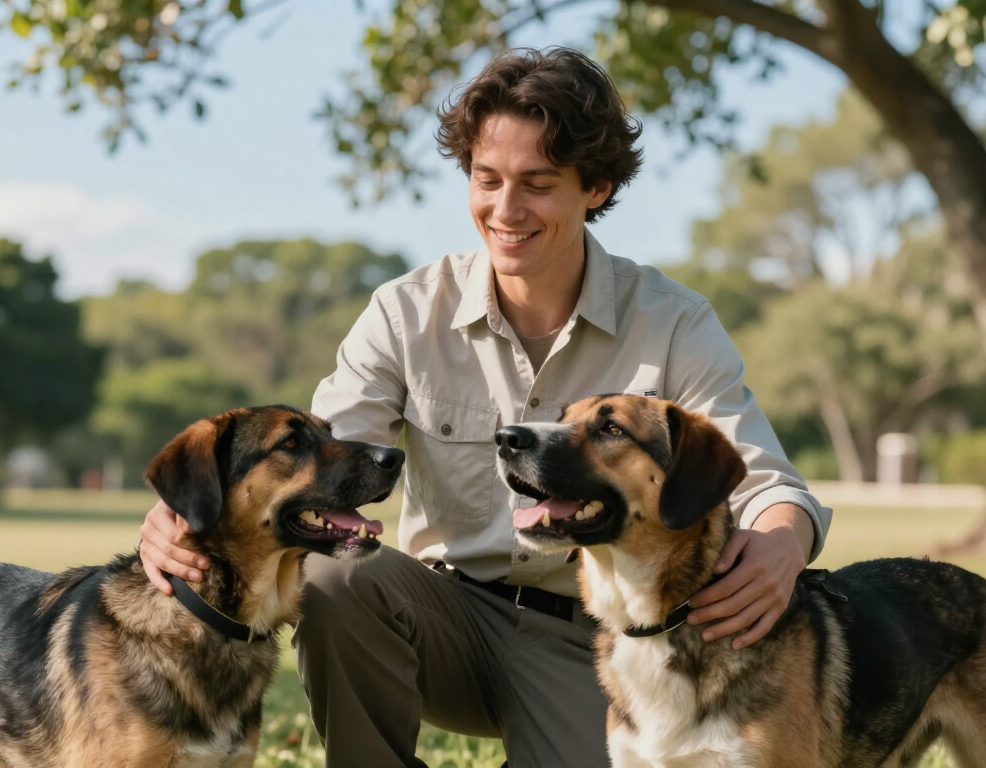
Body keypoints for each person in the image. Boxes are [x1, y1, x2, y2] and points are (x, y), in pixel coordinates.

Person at [138, 47, 831, 768]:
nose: (505, 210)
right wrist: (188, 508)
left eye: (536, 184)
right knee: (341, 577)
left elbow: (765, 481)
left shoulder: (674, 322)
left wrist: (784, 540)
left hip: (599, 642)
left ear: (593, 187)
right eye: (486, 179)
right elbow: (314, 467)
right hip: (442, 620)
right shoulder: (405, 312)